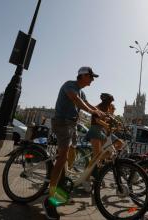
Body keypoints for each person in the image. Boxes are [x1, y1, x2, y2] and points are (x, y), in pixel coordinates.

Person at [43, 66, 105, 220]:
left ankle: (60, 188)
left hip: (72, 125)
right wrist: (92, 112)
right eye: (91, 77)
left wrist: (103, 113)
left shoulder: (82, 91)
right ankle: (50, 199)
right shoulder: (70, 85)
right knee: (62, 158)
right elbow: (76, 100)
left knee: (71, 156)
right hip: (62, 123)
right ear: (83, 76)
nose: (92, 80)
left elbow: (87, 102)